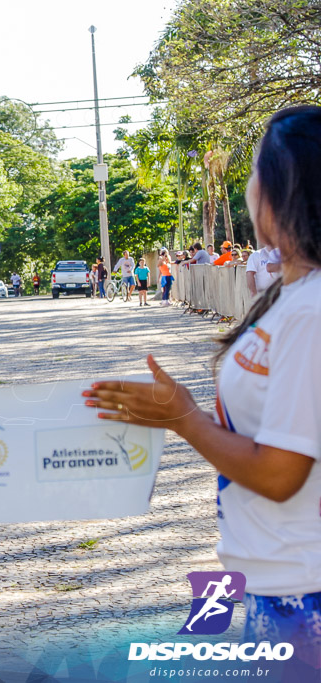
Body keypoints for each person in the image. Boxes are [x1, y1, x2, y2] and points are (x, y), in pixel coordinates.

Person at [84, 106, 321, 676]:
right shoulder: (291, 297)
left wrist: (183, 417)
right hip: (275, 577)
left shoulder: (312, 311)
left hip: (305, 588)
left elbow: (280, 473)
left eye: (254, 170)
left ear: (282, 186)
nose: (246, 186)